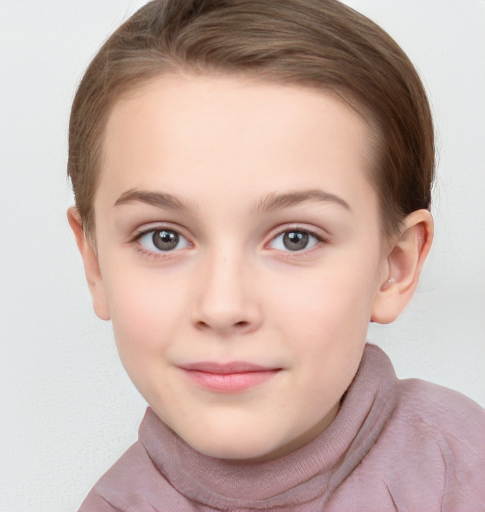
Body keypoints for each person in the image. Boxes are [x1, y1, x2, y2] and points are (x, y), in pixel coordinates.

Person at [67, 0, 485, 510]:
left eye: (295, 238)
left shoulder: (464, 466)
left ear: (394, 267)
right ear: (95, 265)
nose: (223, 307)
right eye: (164, 238)